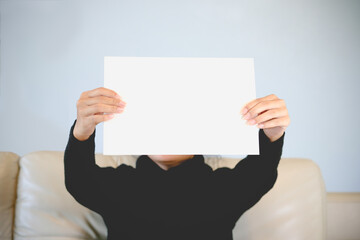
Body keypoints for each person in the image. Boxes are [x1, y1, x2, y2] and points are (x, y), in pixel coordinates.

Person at [64, 87, 290, 240]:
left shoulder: (224, 188)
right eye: (156, 121)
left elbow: (259, 173)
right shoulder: (117, 184)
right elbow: (80, 180)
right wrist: (83, 130)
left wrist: (272, 134)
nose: (166, 131)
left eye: (178, 122)